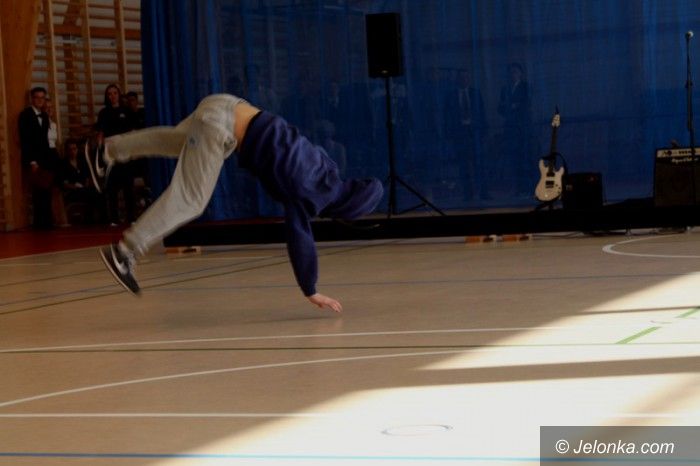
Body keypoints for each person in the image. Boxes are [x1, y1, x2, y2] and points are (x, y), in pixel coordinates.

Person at [86, 94, 383, 312]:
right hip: (223, 126)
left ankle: (106, 151)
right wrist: (311, 289)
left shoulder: (328, 170)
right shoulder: (313, 195)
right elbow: (300, 239)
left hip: (226, 104)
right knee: (191, 199)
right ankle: (125, 251)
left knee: (177, 141)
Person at [95, 84, 136, 225]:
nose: (112, 96)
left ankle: (131, 217)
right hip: (110, 153)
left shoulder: (127, 111)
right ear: (107, 96)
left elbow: (133, 131)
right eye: (109, 94)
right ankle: (114, 218)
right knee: (111, 187)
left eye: (115, 93)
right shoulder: (104, 113)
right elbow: (100, 132)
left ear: (119, 94)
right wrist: (100, 148)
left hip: (125, 152)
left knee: (128, 186)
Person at [18, 87, 57, 229]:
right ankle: (39, 223)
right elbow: (25, 140)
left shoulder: (45, 116)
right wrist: (32, 161)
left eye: (42, 97)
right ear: (32, 99)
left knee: (47, 191)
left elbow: (45, 141)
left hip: (46, 159)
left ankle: (47, 222)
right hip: (33, 160)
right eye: (37, 97)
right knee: (37, 192)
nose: (40, 100)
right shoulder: (25, 115)